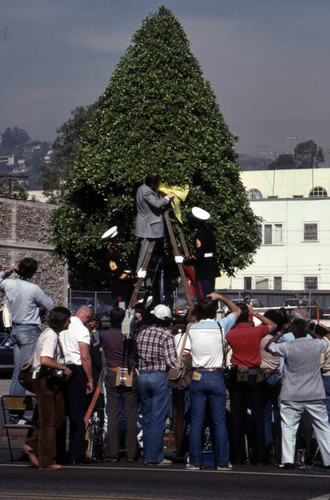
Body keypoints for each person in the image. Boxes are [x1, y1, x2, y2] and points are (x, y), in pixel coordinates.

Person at [185, 293, 240, 471]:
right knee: (219, 421)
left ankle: (195, 461)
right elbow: (237, 310)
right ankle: (222, 462)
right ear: (215, 311)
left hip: (197, 375)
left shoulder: (191, 328)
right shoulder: (220, 325)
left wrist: (200, 305)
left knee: (197, 422)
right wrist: (221, 297)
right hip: (216, 375)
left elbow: (191, 313)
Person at [267, 318, 330, 469]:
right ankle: (328, 459)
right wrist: (309, 330)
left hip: (292, 394)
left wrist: (281, 332)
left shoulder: (287, 347)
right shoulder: (316, 345)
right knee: (323, 427)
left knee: (289, 428)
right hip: (314, 393)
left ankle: (288, 460)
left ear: (292, 332)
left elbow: (270, 347)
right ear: (306, 331)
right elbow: (324, 340)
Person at [0, 258, 53, 424]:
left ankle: (15, 412)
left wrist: (9, 270)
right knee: (25, 371)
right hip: (28, 330)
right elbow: (50, 305)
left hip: (15, 329)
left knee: (18, 371)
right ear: (33, 272)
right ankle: (16, 414)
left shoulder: (9, 284)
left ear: (18, 269)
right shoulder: (34, 289)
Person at [22, 307, 73, 470]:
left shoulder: (49, 333)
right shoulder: (50, 335)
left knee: (58, 418)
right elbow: (44, 360)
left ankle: (31, 444)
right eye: (67, 320)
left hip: (51, 380)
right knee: (48, 422)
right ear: (61, 321)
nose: (69, 322)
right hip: (44, 380)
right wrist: (63, 367)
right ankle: (46, 461)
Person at [226, 303, 276, 465]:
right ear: (248, 316)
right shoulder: (256, 331)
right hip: (255, 375)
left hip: (238, 374)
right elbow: (273, 325)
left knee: (237, 416)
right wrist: (255, 314)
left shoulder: (231, 333)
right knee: (258, 415)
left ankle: (237, 455)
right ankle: (259, 456)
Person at [136, 304, 177, 466]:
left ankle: (148, 454)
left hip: (143, 376)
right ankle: (155, 457)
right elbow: (172, 361)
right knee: (158, 419)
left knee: (146, 417)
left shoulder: (142, 333)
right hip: (159, 377)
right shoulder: (167, 335)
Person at [100, 308, 139, 462]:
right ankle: (131, 453)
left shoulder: (104, 334)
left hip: (112, 371)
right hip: (128, 371)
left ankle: (113, 452)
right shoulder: (131, 336)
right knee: (131, 414)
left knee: (113, 413)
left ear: (110, 319)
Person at [60, 306, 94, 463]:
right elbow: (85, 356)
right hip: (76, 371)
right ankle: (76, 453)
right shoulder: (82, 330)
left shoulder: (62, 326)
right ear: (87, 318)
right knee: (76, 415)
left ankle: (59, 451)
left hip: (60, 369)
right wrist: (90, 379)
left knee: (61, 413)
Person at [135, 172, 174, 272]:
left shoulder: (142, 188)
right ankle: (139, 280)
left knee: (147, 256)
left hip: (147, 226)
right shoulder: (147, 191)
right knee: (144, 256)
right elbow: (156, 204)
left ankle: (145, 281)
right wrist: (167, 198)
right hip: (148, 228)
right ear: (153, 183)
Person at [102, 226, 145, 307]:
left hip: (128, 289)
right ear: (110, 242)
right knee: (121, 312)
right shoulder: (111, 255)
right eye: (116, 240)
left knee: (129, 313)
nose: (119, 241)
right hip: (120, 290)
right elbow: (119, 274)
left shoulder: (122, 251)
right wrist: (136, 275)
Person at [183, 207, 219, 302]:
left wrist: (187, 260)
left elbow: (199, 254)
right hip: (211, 266)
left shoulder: (200, 234)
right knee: (211, 294)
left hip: (203, 268)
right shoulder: (210, 233)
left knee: (203, 297)